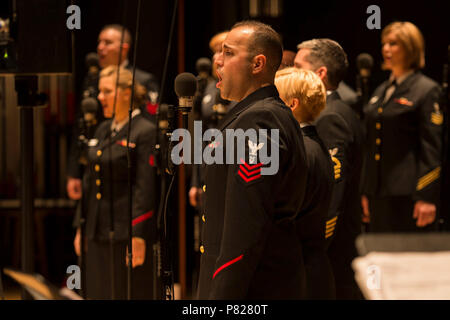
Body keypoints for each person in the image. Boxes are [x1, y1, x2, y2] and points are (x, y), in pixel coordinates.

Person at [196, 21, 309, 299]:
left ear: (257, 64)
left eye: (228, 53)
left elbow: (245, 225)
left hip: (253, 288)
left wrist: (222, 296)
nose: (217, 61)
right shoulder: (254, 114)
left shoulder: (259, 119)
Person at [73, 66, 158, 299]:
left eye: (107, 91)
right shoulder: (102, 130)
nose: (100, 97)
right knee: (97, 291)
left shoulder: (144, 130)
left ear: (126, 93)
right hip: (97, 227)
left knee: (123, 292)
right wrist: (82, 226)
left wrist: (138, 234)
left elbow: (145, 186)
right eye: (100, 91)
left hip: (124, 230)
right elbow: (89, 181)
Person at [295, 38, 364, 299]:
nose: (292, 73)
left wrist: (317, 243)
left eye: (299, 66)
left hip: (333, 244)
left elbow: (334, 188)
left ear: (320, 73)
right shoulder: (334, 110)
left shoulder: (330, 116)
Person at [361, 21, 442, 233]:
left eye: (394, 43)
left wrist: (426, 196)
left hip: (409, 195)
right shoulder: (382, 89)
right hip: (379, 192)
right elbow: (370, 145)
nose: (386, 49)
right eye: (384, 43)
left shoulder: (426, 90)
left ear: (411, 48)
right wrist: (366, 191)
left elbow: (432, 148)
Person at [67, 24, 159, 202]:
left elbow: (148, 128)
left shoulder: (141, 80)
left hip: (126, 167)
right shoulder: (91, 80)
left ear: (124, 48)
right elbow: (80, 127)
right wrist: (73, 171)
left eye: (107, 42)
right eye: (99, 42)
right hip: (95, 164)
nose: (100, 47)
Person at [275, 67, 335, 299]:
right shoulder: (314, 144)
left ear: (292, 104)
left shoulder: (300, 151)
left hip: (299, 276)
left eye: (275, 99)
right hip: (311, 268)